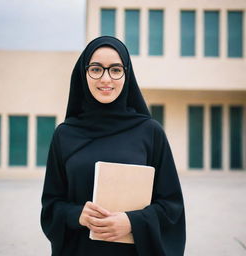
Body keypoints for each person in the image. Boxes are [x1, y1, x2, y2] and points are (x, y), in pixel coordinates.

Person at [40, 36, 186, 256]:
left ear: (127, 75)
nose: (106, 79)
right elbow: (51, 206)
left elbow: (171, 207)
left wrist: (132, 222)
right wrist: (77, 215)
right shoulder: (65, 134)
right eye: (96, 69)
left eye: (116, 70)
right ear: (83, 73)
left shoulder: (150, 132)